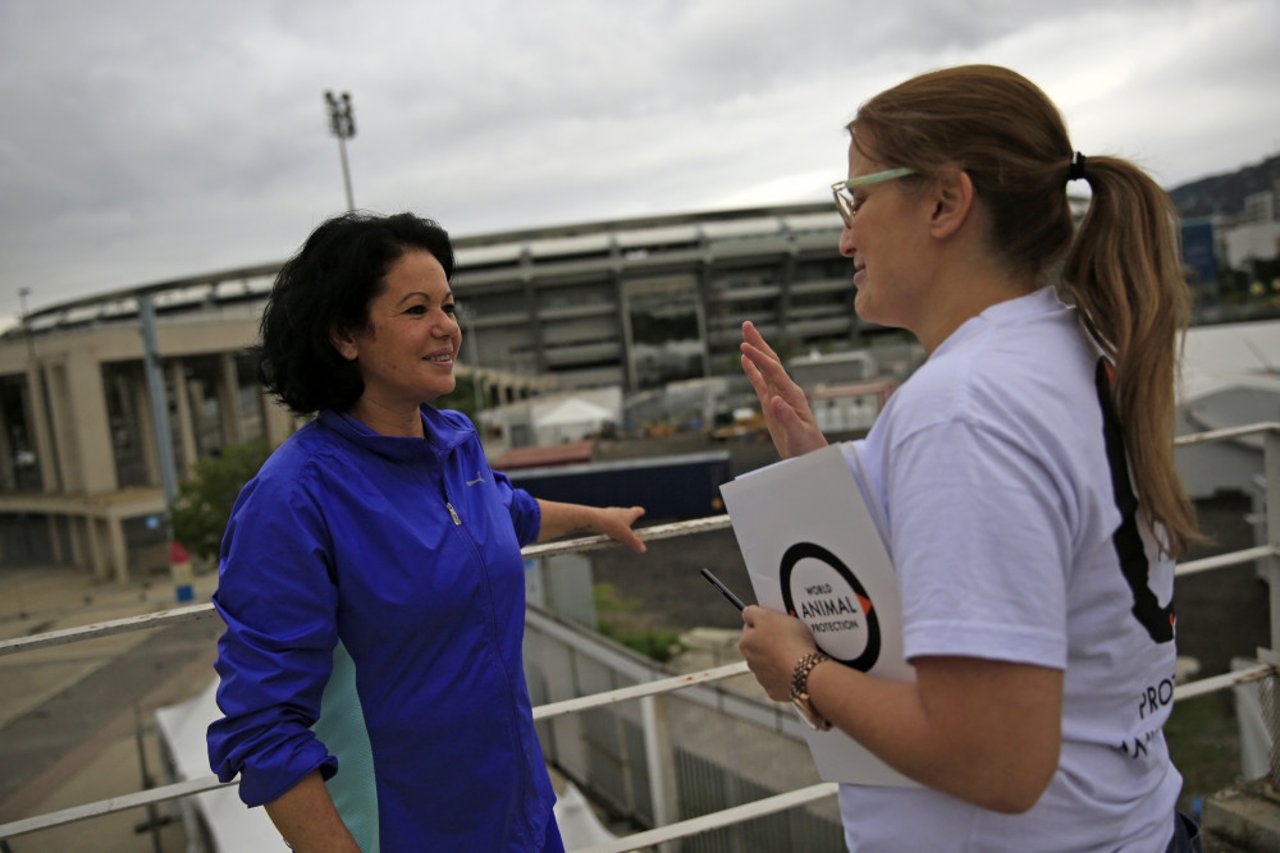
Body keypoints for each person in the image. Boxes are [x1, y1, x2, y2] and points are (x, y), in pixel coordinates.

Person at [736, 65, 1201, 852]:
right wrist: (832, 479)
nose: (845, 235)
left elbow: (996, 763)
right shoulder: (1075, 347)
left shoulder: (964, 407)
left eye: (859, 198)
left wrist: (802, 668)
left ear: (946, 201)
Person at [206, 211, 647, 852]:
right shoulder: (293, 498)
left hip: (522, 817)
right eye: (417, 310)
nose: (447, 327)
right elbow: (263, 726)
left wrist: (595, 519)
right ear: (345, 335)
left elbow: (505, 511)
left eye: (448, 304)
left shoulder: (453, 441)